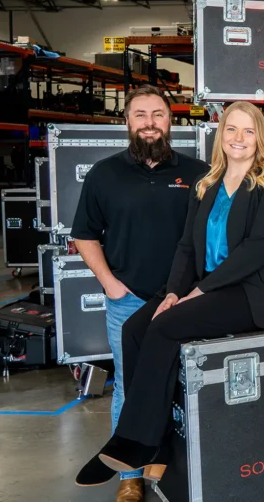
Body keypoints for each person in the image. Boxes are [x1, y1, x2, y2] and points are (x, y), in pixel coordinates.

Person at [75, 101, 264, 487]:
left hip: (255, 291)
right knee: (135, 328)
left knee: (164, 329)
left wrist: (198, 291)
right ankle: (157, 445)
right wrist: (173, 292)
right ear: (221, 135)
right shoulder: (206, 184)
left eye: (248, 131)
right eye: (231, 129)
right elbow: (187, 247)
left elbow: (256, 250)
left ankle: (133, 441)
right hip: (207, 285)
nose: (239, 138)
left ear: (260, 136)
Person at [70, 85, 208, 502]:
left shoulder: (199, 173)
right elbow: (84, 235)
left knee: (191, 385)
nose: (150, 123)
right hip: (129, 303)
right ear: (127, 122)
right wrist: (111, 285)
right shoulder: (104, 174)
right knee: (131, 386)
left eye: (159, 114)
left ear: (171, 120)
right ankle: (129, 475)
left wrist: (198, 290)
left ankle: (184, 467)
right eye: (140, 115)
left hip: (187, 302)